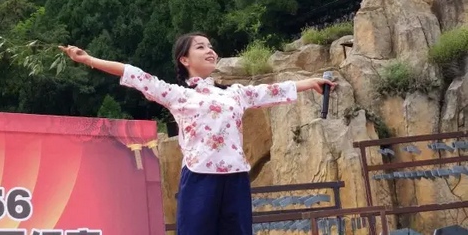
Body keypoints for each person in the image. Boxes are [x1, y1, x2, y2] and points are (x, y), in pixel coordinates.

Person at [59, 32, 336, 235]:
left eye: (211, 46)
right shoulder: (178, 94)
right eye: (201, 47)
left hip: (236, 176)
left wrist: (310, 82)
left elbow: (273, 90)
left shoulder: (236, 93)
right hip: (200, 175)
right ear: (185, 59)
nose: (210, 50)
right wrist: (89, 59)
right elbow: (136, 76)